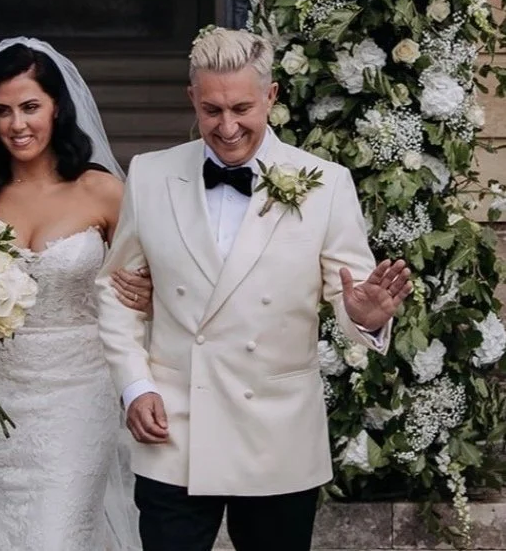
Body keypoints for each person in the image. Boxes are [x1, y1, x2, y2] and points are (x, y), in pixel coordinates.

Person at [96, 28, 412, 551]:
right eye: (211, 110)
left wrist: (366, 314)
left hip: (277, 432)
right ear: (191, 99)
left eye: (242, 108)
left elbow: (350, 294)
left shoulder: (326, 183)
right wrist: (135, 385)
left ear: (272, 96)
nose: (227, 127)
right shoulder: (150, 175)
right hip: (175, 425)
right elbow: (116, 289)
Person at [0, 37, 150, 551]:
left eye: (30, 107)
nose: (17, 124)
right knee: (1, 533)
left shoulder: (102, 191)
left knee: (58, 534)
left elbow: (144, 285)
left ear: (57, 107)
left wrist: (147, 293)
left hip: (79, 392)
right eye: (2, 111)